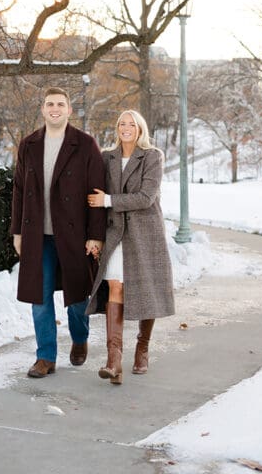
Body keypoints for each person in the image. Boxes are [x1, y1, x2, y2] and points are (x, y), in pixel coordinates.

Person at [11, 87, 106, 378]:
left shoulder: (85, 144)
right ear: (43, 109)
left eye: (60, 104)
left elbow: (96, 192)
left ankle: (79, 338)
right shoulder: (28, 145)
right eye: (50, 104)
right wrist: (17, 232)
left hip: (74, 235)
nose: (55, 108)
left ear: (68, 110)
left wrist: (96, 234)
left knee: (77, 297)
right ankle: (45, 357)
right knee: (39, 299)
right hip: (38, 236)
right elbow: (18, 190)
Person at [86, 110, 175, 385]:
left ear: (140, 129)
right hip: (115, 233)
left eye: (131, 124)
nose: (126, 128)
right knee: (115, 286)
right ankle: (114, 361)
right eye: (121, 124)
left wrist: (109, 200)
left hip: (145, 231)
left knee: (144, 289)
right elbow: (94, 195)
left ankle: (142, 347)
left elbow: (146, 197)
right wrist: (95, 233)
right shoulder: (107, 157)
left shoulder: (152, 156)